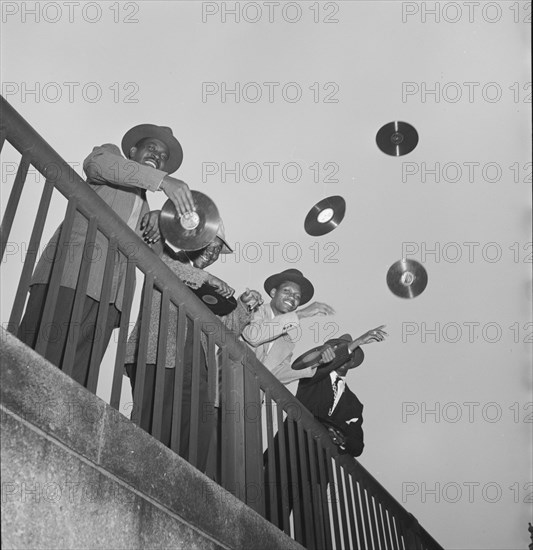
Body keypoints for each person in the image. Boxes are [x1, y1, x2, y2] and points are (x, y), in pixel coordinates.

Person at [18, 124, 194, 386]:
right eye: (152, 148)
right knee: (32, 361)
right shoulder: (111, 157)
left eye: (163, 157)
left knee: (75, 381)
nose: (157, 156)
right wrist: (162, 182)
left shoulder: (147, 210)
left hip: (109, 301)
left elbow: (158, 260)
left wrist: (161, 221)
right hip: (71, 277)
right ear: (134, 150)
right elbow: (96, 165)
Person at [124, 214, 262, 472]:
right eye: (209, 245)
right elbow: (159, 264)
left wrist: (244, 307)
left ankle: (181, 487)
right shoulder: (169, 258)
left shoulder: (208, 291)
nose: (212, 253)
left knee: (196, 432)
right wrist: (206, 278)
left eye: (218, 250)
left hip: (196, 370)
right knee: (155, 425)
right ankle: (136, 475)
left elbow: (225, 330)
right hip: (158, 357)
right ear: (193, 240)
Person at [241, 268, 335, 385]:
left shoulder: (287, 342)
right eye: (287, 291)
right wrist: (300, 314)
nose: (292, 297)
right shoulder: (252, 310)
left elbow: (277, 375)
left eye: (297, 296)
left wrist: (317, 362)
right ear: (273, 293)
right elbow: (253, 336)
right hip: (226, 388)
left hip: (251, 397)